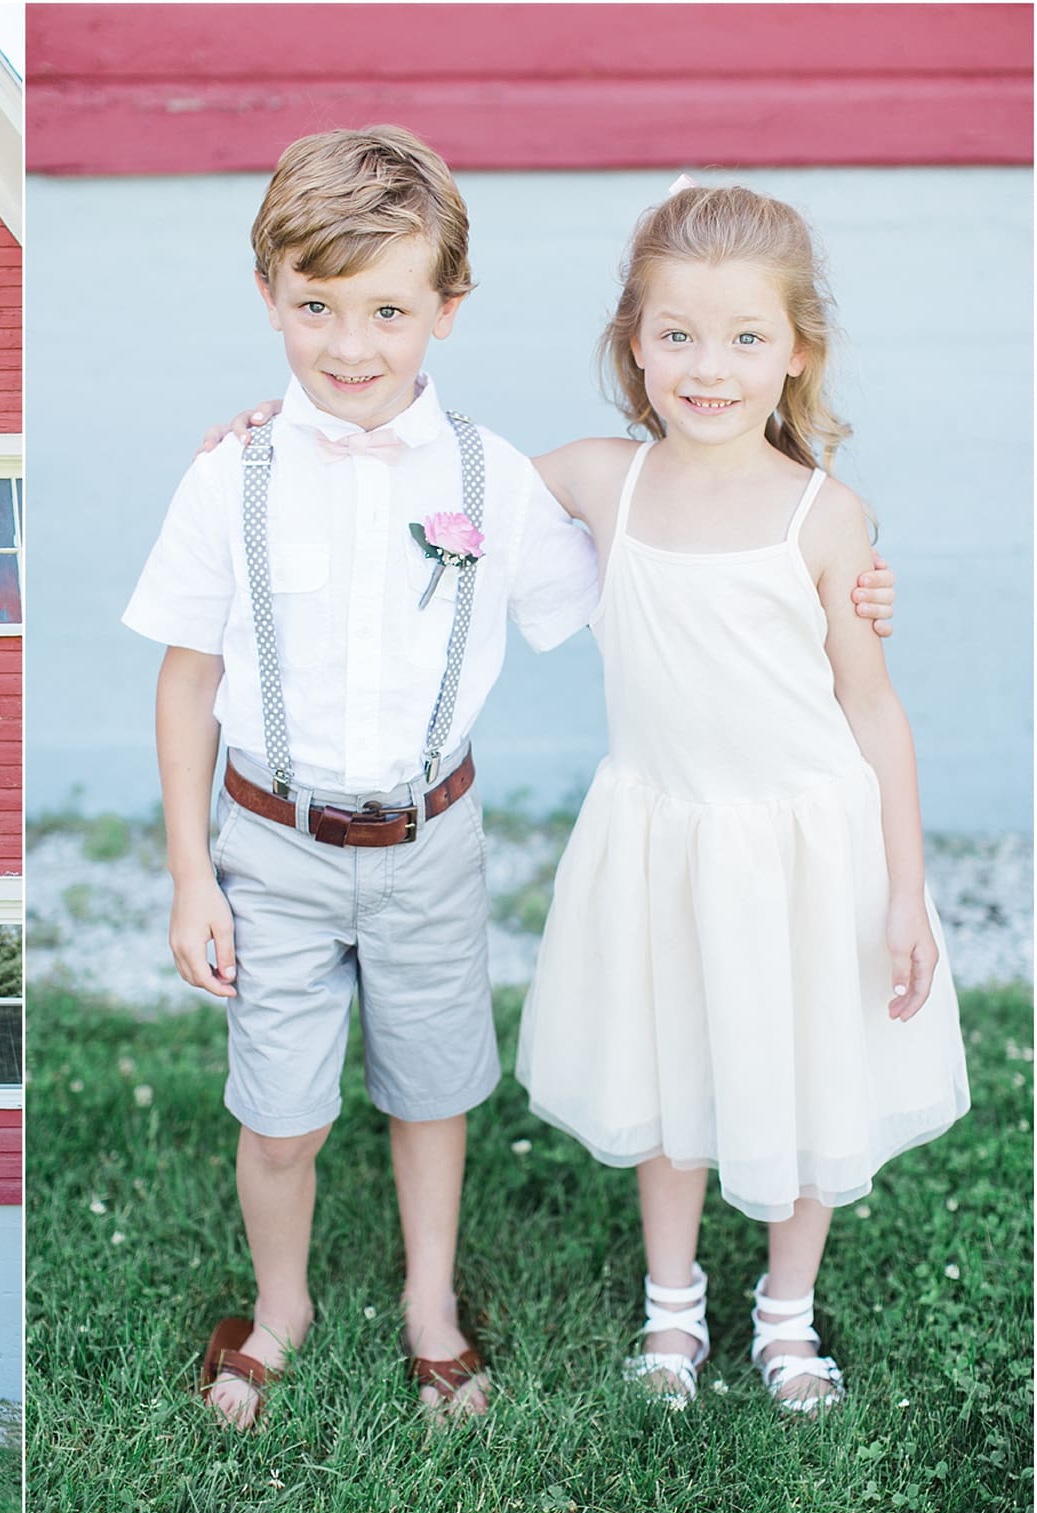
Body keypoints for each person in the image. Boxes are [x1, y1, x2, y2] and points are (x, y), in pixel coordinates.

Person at [133, 126, 902, 1430]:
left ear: (447, 308)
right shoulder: (231, 476)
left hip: (434, 842)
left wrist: (844, 584)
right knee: (279, 1112)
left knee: (433, 1093)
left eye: (387, 309)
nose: (351, 345)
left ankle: (432, 1308)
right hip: (272, 841)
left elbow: (669, 570)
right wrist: (190, 871)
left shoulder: (494, 480)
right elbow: (189, 680)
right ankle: (280, 1308)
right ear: (269, 294)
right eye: (316, 307)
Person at [514, 182, 968, 1414]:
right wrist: (268, 433)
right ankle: (672, 1308)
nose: (706, 368)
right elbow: (444, 470)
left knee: (803, 1064)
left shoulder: (825, 517)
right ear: (632, 344)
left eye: (743, 338)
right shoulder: (599, 479)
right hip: (661, 833)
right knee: (668, 1069)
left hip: (806, 847)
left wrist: (905, 888)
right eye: (675, 336)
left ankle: (783, 1312)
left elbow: (871, 709)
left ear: (794, 353)